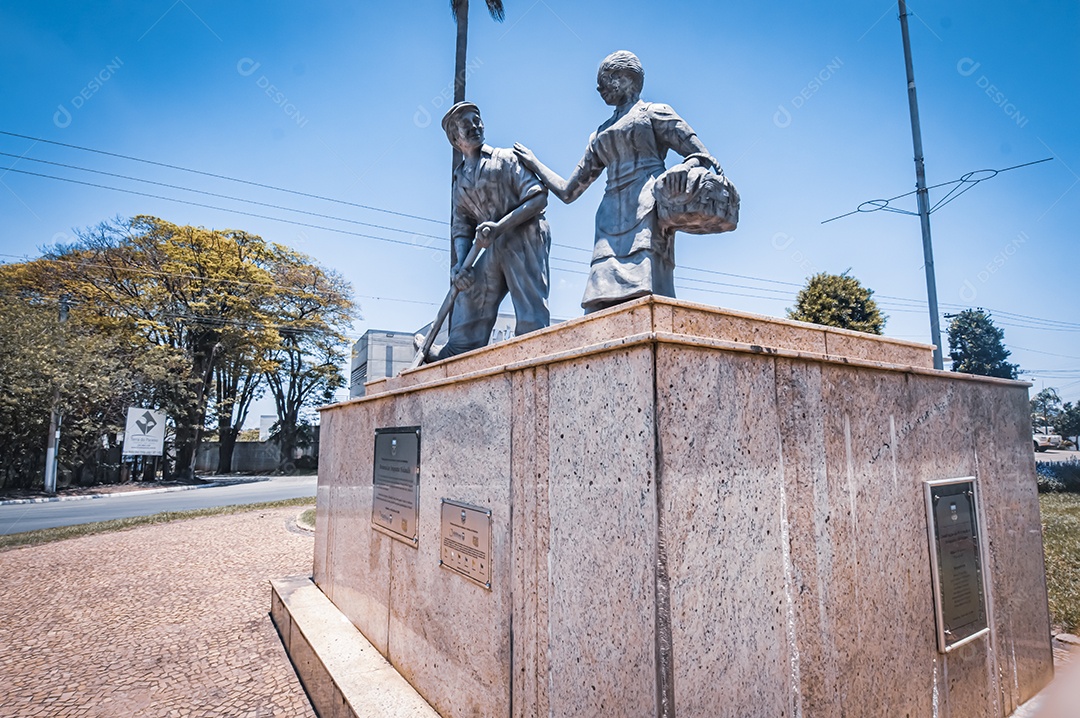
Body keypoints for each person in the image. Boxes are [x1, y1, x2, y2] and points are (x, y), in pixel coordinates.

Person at [514, 50, 721, 313]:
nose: (599, 87)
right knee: (598, 304)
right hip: (608, 217)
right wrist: (534, 163)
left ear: (626, 78)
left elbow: (701, 156)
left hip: (648, 207)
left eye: (606, 78)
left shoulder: (655, 113)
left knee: (647, 294)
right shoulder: (599, 134)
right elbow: (569, 191)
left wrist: (684, 167)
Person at [419, 101, 551, 362]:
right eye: (466, 124)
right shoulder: (459, 180)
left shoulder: (505, 159)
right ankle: (458, 352)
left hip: (524, 233)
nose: (475, 127)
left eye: (477, 120)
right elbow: (461, 227)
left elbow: (539, 198)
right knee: (471, 290)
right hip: (491, 242)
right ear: (456, 139)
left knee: (528, 303)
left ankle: (533, 352)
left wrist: (499, 226)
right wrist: (461, 266)